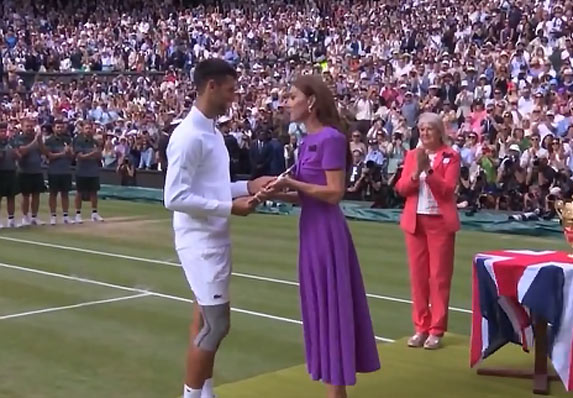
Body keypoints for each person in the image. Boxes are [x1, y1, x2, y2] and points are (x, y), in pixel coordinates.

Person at [260, 75, 380, 398]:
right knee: (319, 310)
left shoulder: (330, 139)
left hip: (327, 233)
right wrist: (271, 193)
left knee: (331, 310)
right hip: (310, 231)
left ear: (311, 101)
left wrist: (292, 185)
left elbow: (334, 192)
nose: (287, 103)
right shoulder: (306, 141)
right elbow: (304, 196)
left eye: (292, 96)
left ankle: (336, 392)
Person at [163, 59, 271, 398]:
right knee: (216, 325)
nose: (234, 96)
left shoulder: (213, 132)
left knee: (205, 321)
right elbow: (175, 197)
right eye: (230, 89)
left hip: (214, 236)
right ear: (211, 86)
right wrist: (230, 207)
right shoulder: (187, 136)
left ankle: (204, 391)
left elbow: (213, 186)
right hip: (199, 242)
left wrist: (250, 187)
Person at [394, 112, 460, 350]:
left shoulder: (450, 156)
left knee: (439, 277)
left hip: (439, 223)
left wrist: (429, 171)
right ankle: (421, 327)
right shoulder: (413, 155)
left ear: (439, 131)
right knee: (418, 277)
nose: (424, 133)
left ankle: (436, 330)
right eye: (421, 129)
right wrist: (415, 173)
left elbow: (447, 190)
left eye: (429, 129)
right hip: (415, 223)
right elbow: (401, 188)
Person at [41, 119, 74, 225]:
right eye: (58, 127)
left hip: (66, 170)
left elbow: (72, 157)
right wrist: (63, 153)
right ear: (54, 128)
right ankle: (53, 216)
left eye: (62, 127)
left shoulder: (67, 139)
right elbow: (49, 156)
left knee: (65, 194)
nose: (60, 129)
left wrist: (69, 152)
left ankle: (65, 215)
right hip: (54, 171)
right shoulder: (49, 140)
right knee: (53, 194)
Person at [14, 116, 45, 226]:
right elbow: (23, 151)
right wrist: (35, 141)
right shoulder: (18, 138)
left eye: (31, 126)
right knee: (25, 196)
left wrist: (40, 141)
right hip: (24, 171)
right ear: (22, 127)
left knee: (36, 195)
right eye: (27, 126)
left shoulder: (37, 138)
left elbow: (44, 152)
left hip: (37, 170)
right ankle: (25, 217)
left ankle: (34, 217)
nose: (29, 128)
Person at [73, 120, 104, 224]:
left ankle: (94, 213)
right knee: (79, 192)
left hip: (93, 170)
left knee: (94, 192)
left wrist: (98, 153)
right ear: (82, 129)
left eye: (90, 128)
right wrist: (92, 154)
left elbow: (99, 156)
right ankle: (78, 214)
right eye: (87, 128)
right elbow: (79, 156)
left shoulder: (95, 142)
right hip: (82, 170)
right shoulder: (78, 140)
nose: (89, 130)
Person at [0, 122, 19, 228]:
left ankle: (11, 219)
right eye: (1, 131)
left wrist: (16, 154)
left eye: (4, 131)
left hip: (11, 171)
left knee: (11, 196)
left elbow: (18, 156)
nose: (3, 133)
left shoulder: (11, 142)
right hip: (1, 172)